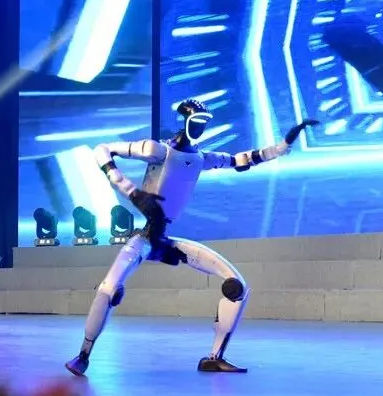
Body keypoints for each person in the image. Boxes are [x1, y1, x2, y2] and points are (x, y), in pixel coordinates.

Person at [65, 100, 318, 375]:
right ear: (184, 121)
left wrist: (284, 145)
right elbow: (101, 149)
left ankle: (214, 357)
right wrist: (132, 192)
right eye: (196, 121)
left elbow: (242, 159)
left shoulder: (200, 158)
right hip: (146, 237)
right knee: (109, 289)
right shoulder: (157, 150)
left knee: (236, 287)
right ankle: (83, 355)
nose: (200, 127)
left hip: (166, 239)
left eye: (204, 122)